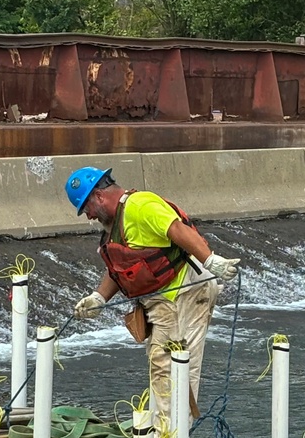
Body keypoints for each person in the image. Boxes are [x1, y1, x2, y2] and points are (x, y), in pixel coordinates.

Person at [65, 166, 241, 422]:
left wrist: (211, 260)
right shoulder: (114, 226)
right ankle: (166, 431)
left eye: (86, 208)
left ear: (99, 197)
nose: (89, 216)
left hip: (188, 291)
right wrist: (98, 298)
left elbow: (179, 231)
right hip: (163, 300)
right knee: (163, 364)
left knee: (174, 364)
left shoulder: (141, 205)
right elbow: (121, 267)